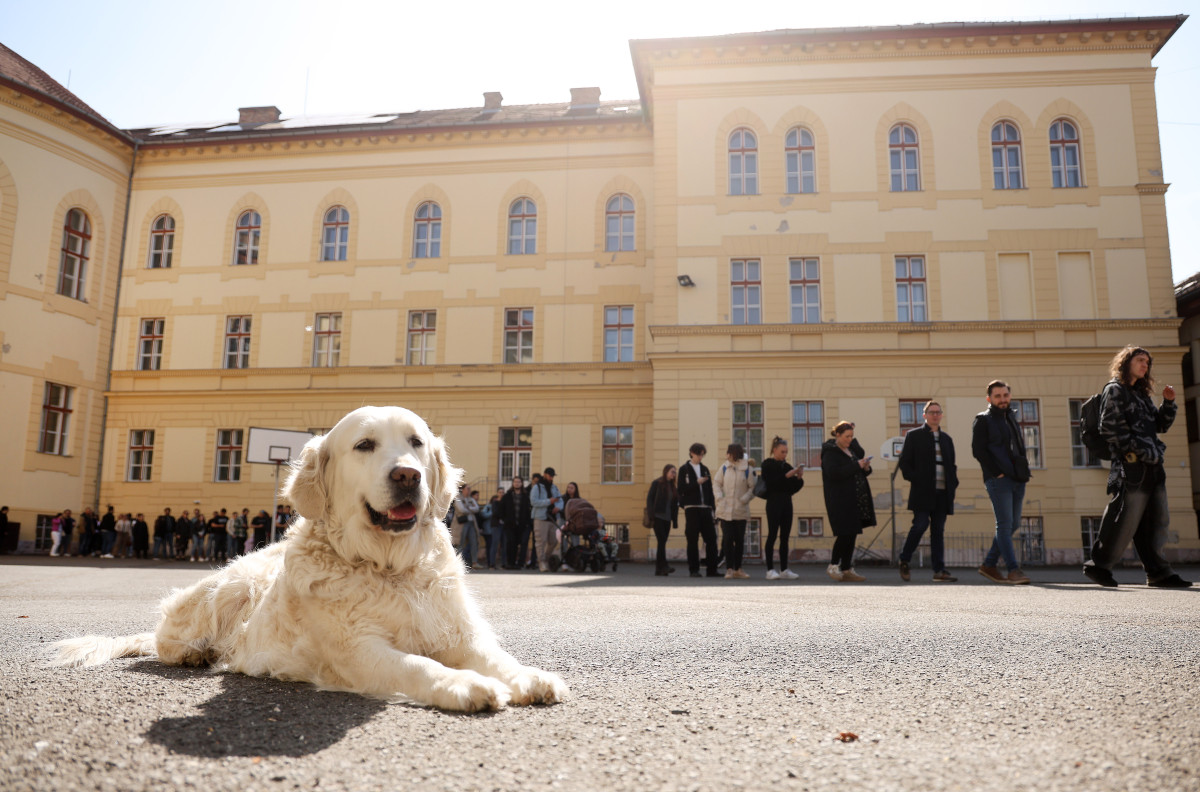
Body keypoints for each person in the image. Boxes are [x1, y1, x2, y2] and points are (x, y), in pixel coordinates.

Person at [1084, 346, 1192, 588]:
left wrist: (1168, 404)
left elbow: (1160, 425)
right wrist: (1135, 449)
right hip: (1131, 463)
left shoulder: (1141, 395)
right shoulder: (1115, 390)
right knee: (1124, 518)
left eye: (1147, 362)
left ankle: (1159, 572)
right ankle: (1099, 566)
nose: (1145, 365)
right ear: (1126, 363)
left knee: (1157, 520)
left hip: (1153, 463)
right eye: (1140, 360)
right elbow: (1108, 427)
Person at [971, 380, 1032, 585]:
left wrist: (1023, 472)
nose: (1002, 399)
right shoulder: (983, 420)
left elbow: (1018, 447)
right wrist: (996, 473)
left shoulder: (1011, 417)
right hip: (998, 480)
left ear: (1009, 396)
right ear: (989, 399)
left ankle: (989, 564)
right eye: (997, 396)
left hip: (1018, 478)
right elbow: (978, 451)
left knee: (1013, 524)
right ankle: (1013, 570)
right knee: (1004, 524)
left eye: (1005, 395)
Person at [897, 401, 959, 583]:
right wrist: (916, 479)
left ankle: (939, 570)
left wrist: (953, 483)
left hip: (943, 493)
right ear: (924, 415)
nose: (935, 415)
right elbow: (905, 463)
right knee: (920, 525)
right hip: (922, 492)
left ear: (941, 415)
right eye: (931, 412)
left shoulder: (946, 439)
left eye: (938, 412)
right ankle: (904, 559)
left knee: (938, 531)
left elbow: (952, 466)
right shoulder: (914, 436)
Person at [821, 421, 873, 582]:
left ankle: (846, 568)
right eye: (846, 436)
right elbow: (834, 473)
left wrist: (865, 467)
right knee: (844, 533)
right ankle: (833, 565)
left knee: (852, 533)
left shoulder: (851, 450)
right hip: (840, 499)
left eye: (851, 436)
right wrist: (856, 465)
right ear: (837, 435)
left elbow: (858, 469)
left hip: (855, 498)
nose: (849, 439)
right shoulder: (830, 452)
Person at [760, 436, 805, 580]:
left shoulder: (787, 466)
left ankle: (784, 569)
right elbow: (772, 483)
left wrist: (798, 477)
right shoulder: (767, 464)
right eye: (782, 452)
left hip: (786, 503)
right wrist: (788, 476)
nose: (784, 455)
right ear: (774, 450)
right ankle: (770, 570)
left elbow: (793, 488)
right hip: (773, 503)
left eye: (786, 452)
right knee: (772, 534)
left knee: (785, 537)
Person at [713, 443, 756, 580]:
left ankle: (738, 569)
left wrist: (744, 499)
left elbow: (753, 487)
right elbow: (716, 483)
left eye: (729, 452)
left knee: (739, 541)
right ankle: (729, 569)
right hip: (725, 510)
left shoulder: (747, 469)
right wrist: (719, 497)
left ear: (734, 453)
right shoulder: (724, 467)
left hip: (740, 511)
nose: (726, 455)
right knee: (727, 540)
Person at [677, 443, 719, 578]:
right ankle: (694, 570)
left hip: (706, 508)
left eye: (702, 455)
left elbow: (710, 491)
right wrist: (696, 483)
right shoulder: (684, 469)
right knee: (692, 539)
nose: (700, 457)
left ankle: (712, 570)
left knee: (711, 539)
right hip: (692, 508)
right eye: (698, 454)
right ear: (691, 453)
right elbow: (681, 489)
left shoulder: (705, 469)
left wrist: (713, 509)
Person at [646, 465, 679, 576]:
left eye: (675, 472)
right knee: (661, 541)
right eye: (672, 472)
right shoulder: (657, 483)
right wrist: (651, 515)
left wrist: (674, 520)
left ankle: (659, 569)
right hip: (658, 517)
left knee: (662, 542)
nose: (674, 474)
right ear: (666, 472)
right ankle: (663, 566)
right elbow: (650, 499)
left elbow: (674, 503)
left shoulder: (672, 486)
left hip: (667, 518)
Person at [530, 467, 561, 572]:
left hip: (552, 518)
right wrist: (549, 501)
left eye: (552, 476)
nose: (551, 477)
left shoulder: (554, 487)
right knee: (541, 542)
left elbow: (560, 500)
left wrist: (558, 507)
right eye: (550, 475)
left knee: (554, 541)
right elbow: (533, 502)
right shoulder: (537, 487)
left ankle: (546, 559)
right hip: (540, 518)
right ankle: (541, 562)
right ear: (544, 475)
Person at [499, 477, 532, 570]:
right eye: (515, 482)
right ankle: (510, 563)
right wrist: (505, 520)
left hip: (522, 525)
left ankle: (520, 563)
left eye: (519, 482)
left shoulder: (526, 497)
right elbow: (501, 509)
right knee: (510, 543)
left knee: (522, 544)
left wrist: (527, 522)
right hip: (510, 525)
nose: (517, 483)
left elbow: (529, 511)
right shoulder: (507, 496)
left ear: (522, 483)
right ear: (513, 483)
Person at [454, 484, 481, 569]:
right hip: (461, 524)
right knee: (460, 543)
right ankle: (457, 563)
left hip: (471, 523)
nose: (469, 490)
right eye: (467, 488)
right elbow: (461, 509)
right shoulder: (458, 498)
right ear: (463, 490)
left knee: (474, 542)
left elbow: (477, 508)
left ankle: (474, 562)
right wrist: (471, 508)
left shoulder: (471, 499)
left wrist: (468, 508)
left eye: (470, 488)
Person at [481, 490, 502, 570]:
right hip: (488, 530)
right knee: (490, 546)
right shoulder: (488, 506)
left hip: (492, 529)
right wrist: (492, 512)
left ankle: (491, 562)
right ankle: (489, 562)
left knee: (493, 545)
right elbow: (483, 514)